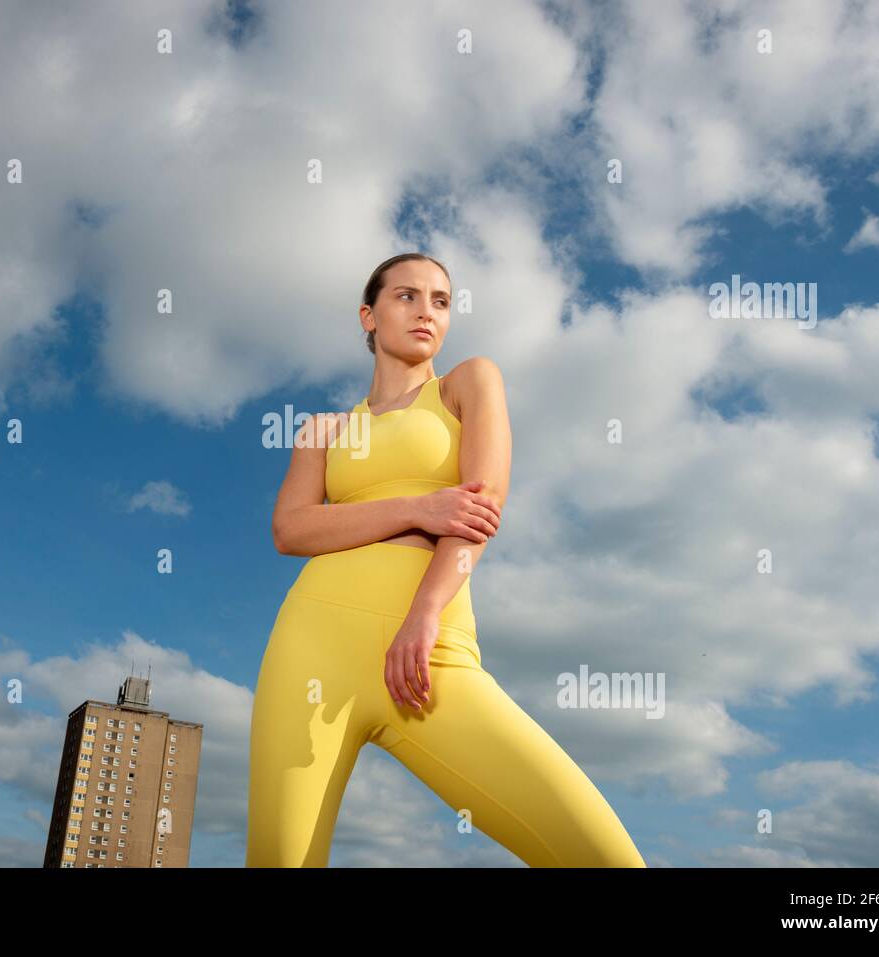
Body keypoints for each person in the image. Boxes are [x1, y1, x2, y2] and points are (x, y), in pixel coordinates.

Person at [246, 252, 646, 867]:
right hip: (313, 645)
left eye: (440, 301)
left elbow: (483, 504)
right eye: (406, 297)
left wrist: (425, 612)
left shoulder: (468, 382)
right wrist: (418, 507)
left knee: (603, 856)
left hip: (430, 649)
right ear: (368, 316)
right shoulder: (323, 430)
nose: (426, 311)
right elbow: (291, 529)